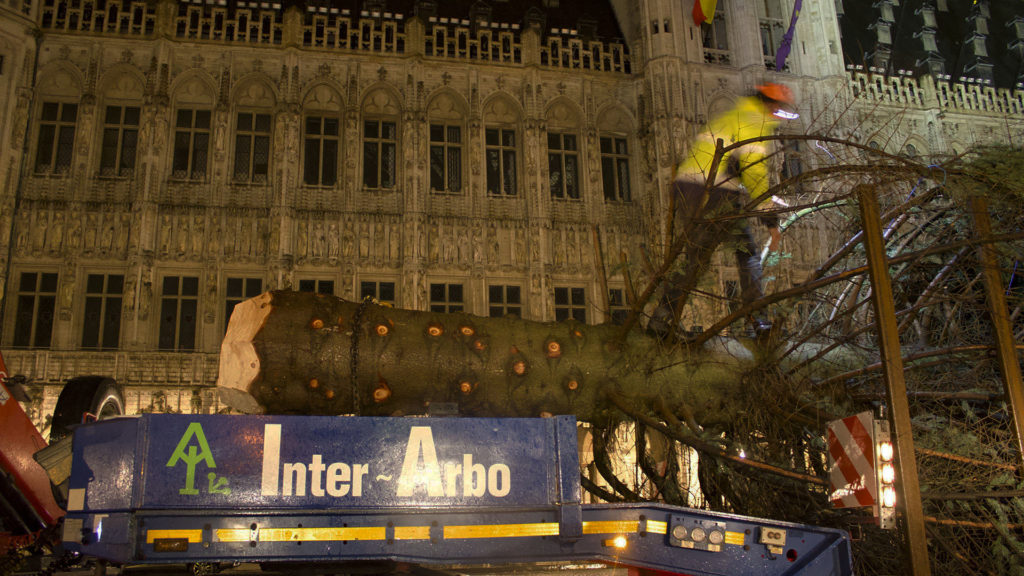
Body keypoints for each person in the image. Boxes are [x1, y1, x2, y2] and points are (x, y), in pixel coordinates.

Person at [647, 83, 796, 340]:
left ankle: (662, 318)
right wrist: (771, 221)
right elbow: (756, 175)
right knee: (746, 254)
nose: (778, 115)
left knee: (696, 258)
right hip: (715, 192)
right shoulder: (754, 122)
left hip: (689, 187)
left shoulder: (734, 114)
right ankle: (757, 320)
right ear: (770, 105)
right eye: (778, 109)